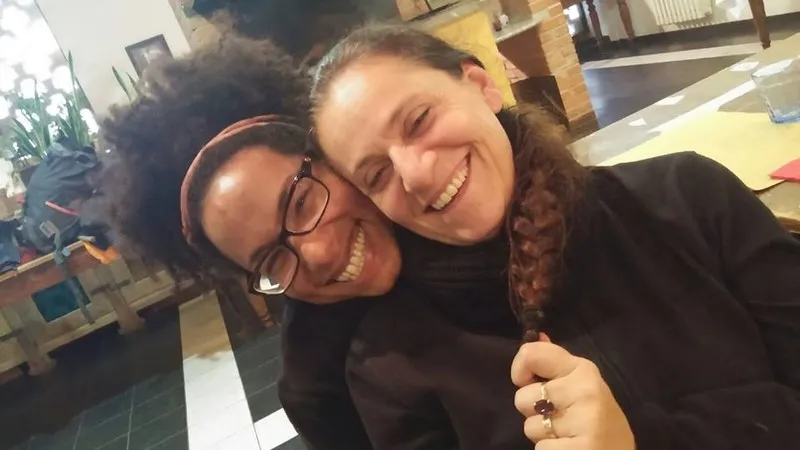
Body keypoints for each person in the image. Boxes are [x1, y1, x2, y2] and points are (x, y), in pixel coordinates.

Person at [309, 25, 800, 449]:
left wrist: (641, 439)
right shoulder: (391, 365)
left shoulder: (688, 197)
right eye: (377, 175)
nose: (414, 175)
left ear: (481, 86)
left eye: (418, 121)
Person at [101, 35, 402, 448]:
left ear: (329, 155)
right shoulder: (321, 387)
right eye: (273, 259)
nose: (318, 254)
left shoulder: (448, 201)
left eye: (301, 202)